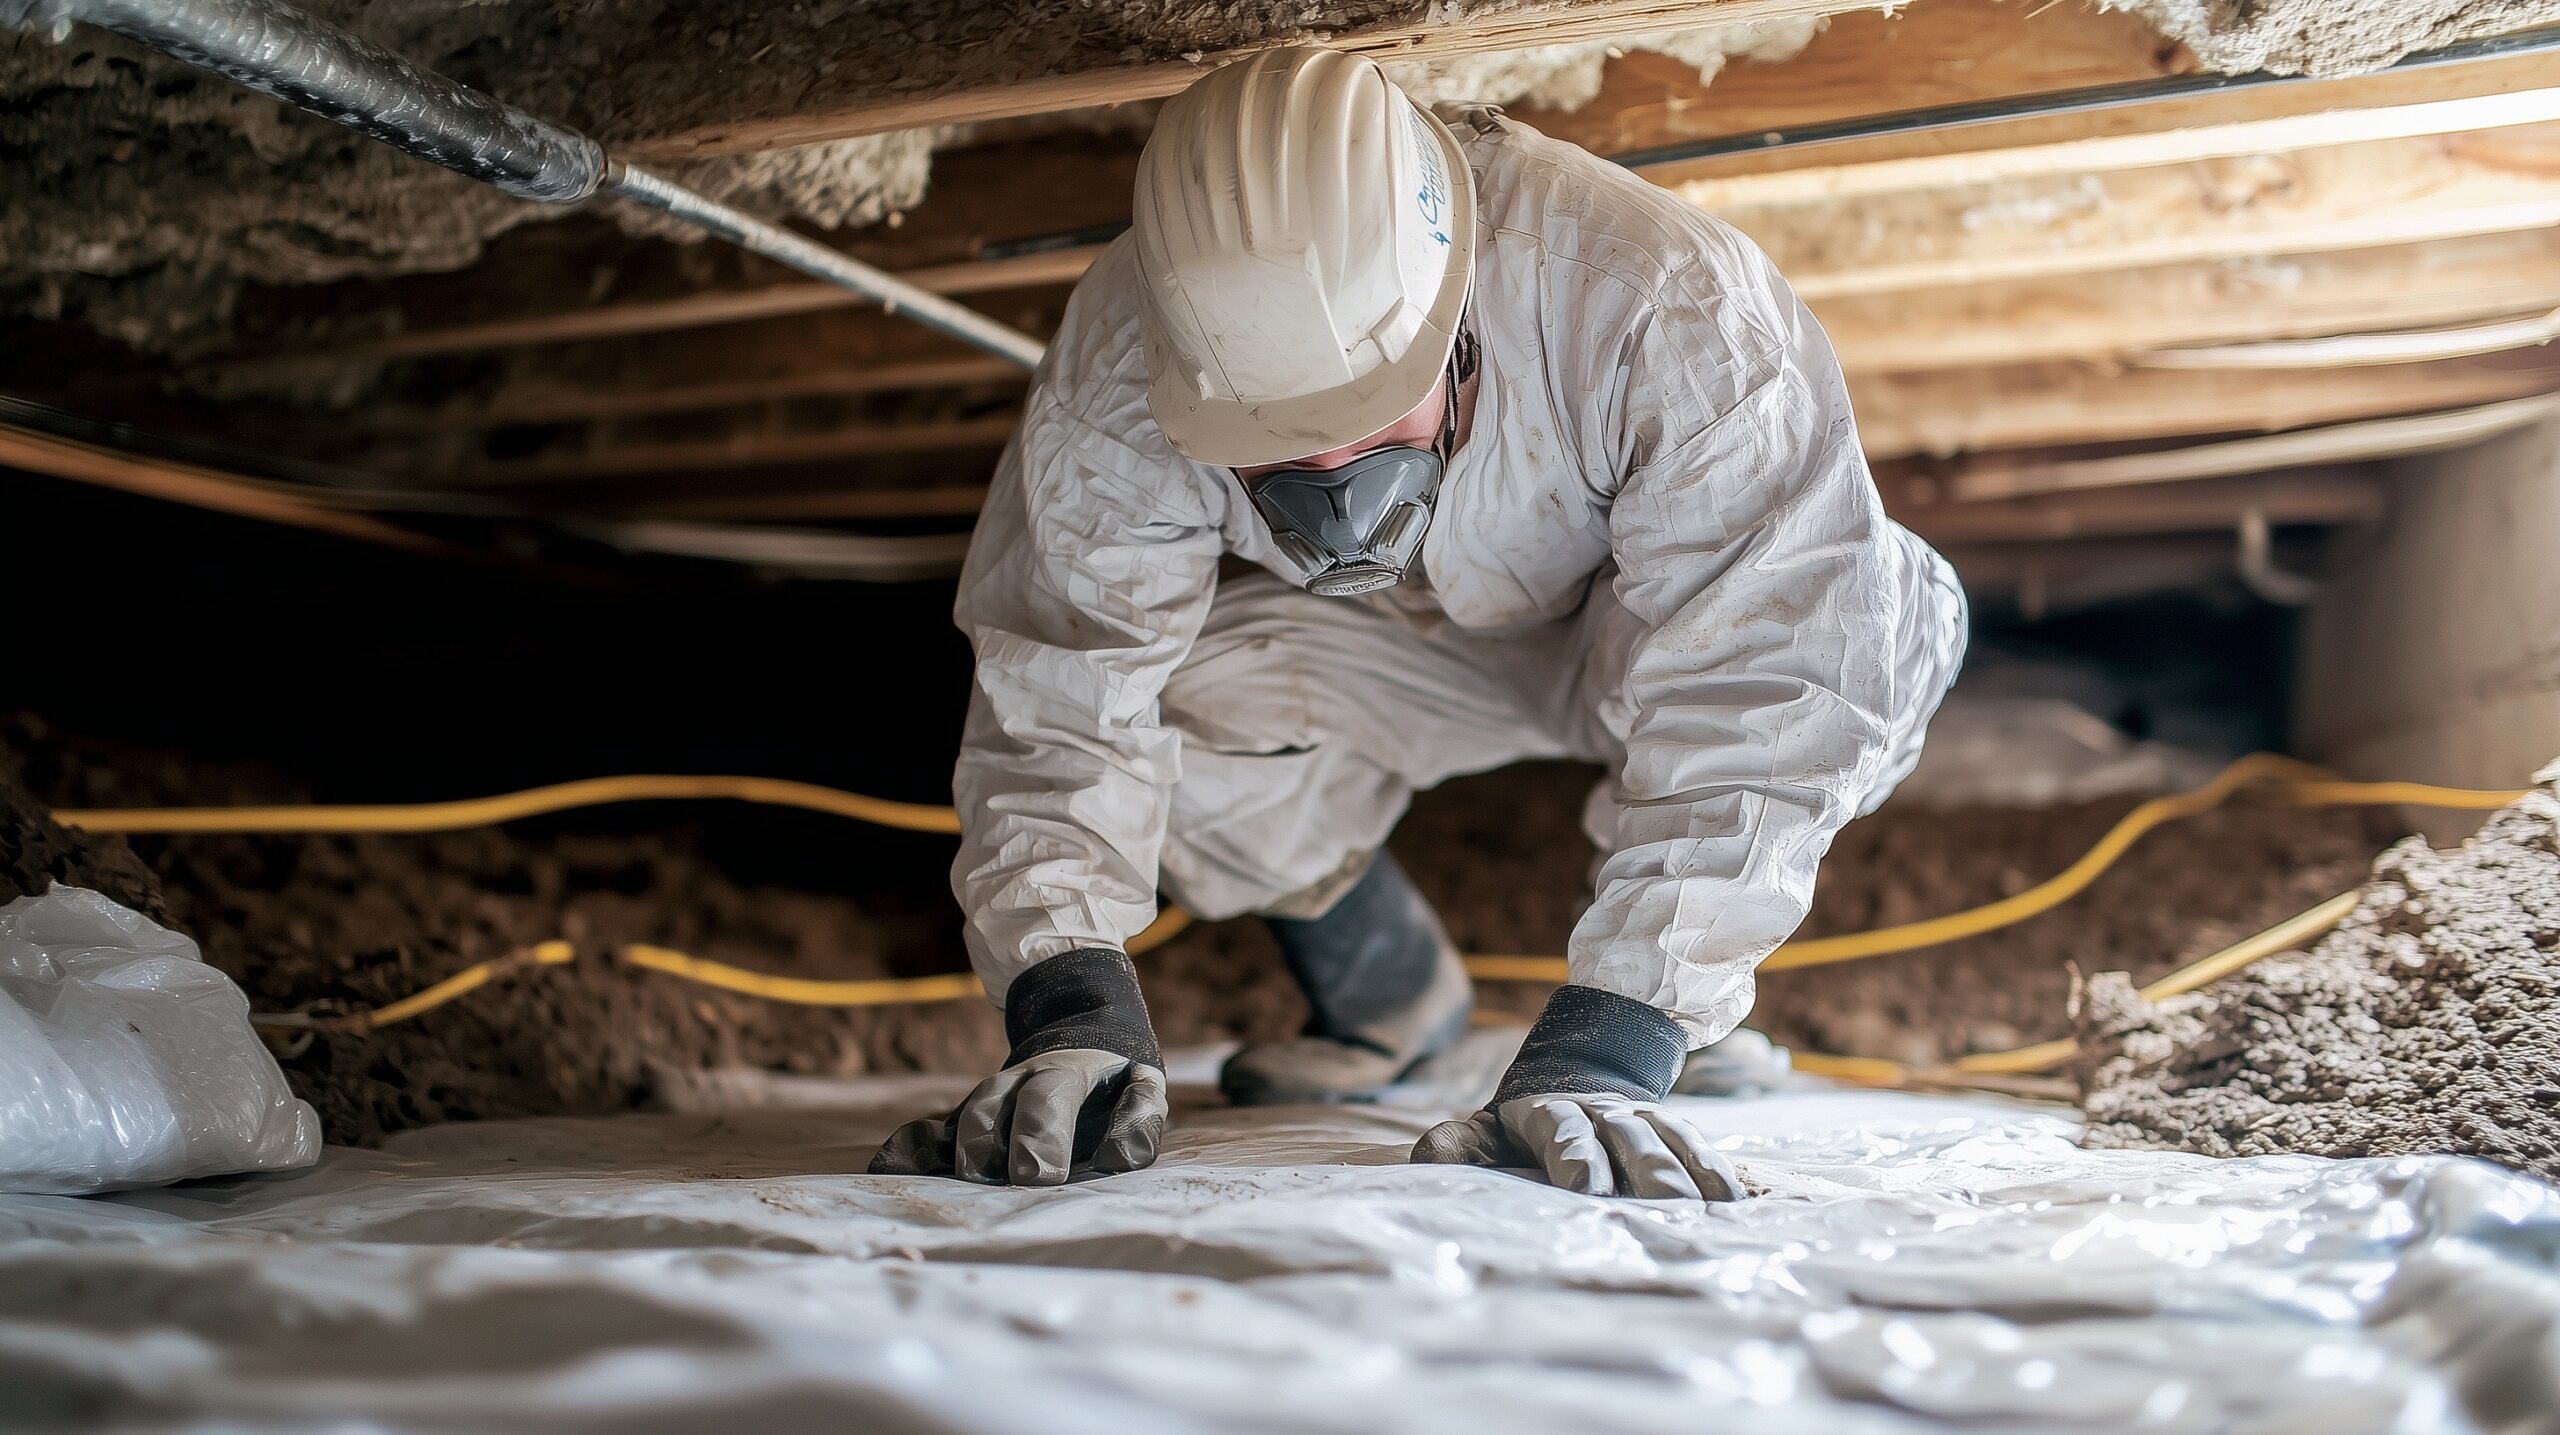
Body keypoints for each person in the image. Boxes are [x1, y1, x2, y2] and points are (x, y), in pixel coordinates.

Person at [870, 46, 1966, 1199]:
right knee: (1176, 709)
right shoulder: (1120, 365)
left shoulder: (1658, 297)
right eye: (1274, 441)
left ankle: (1670, 1019)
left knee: (1875, 625)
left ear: (1449, 306)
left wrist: (1613, 1046)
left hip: (1637, 635)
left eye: (1367, 411)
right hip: (1398, 648)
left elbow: (1774, 671)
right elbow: (1066, 686)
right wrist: (1067, 1004)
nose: (1335, 482)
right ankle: (1393, 995)